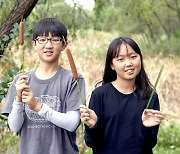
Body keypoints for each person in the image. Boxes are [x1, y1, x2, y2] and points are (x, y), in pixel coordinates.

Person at [1, 18, 85, 154]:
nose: (48, 45)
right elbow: (14, 127)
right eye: (43, 39)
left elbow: (72, 123)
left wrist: (37, 107)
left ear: (64, 45)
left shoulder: (73, 79)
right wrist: (18, 100)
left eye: (55, 39)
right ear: (34, 44)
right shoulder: (21, 80)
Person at [80, 37, 164, 154]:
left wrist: (146, 127)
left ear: (140, 59)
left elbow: (150, 144)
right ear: (112, 65)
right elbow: (91, 143)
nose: (128, 63)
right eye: (120, 59)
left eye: (133, 57)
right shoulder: (100, 95)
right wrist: (94, 126)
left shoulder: (150, 97)